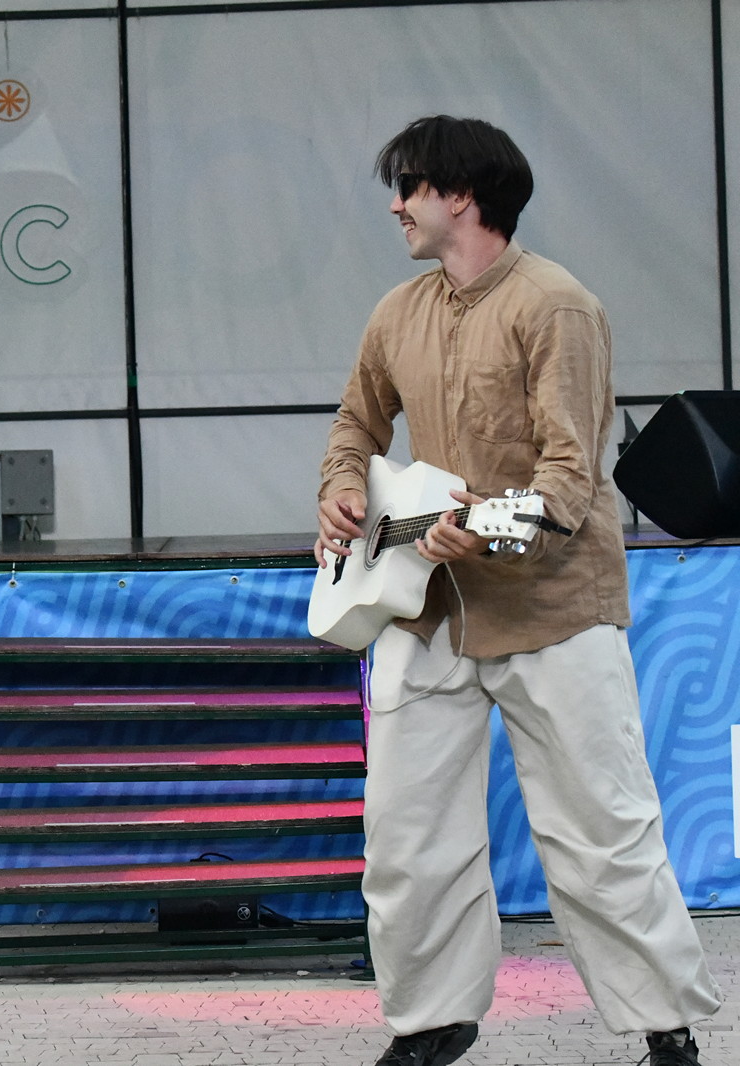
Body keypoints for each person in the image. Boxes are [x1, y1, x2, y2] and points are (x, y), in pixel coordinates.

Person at [315, 116, 722, 1066]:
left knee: (600, 831)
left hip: (553, 608)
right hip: (427, 608)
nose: (396, 206)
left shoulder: (559, 307)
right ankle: (431, 1023)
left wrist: (486, 531)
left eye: (409, 187)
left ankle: (666, 1028)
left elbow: (570, 482)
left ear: (460, 196)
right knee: (406, 836)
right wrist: (340, 487)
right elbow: (355, 424)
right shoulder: (395, 312)